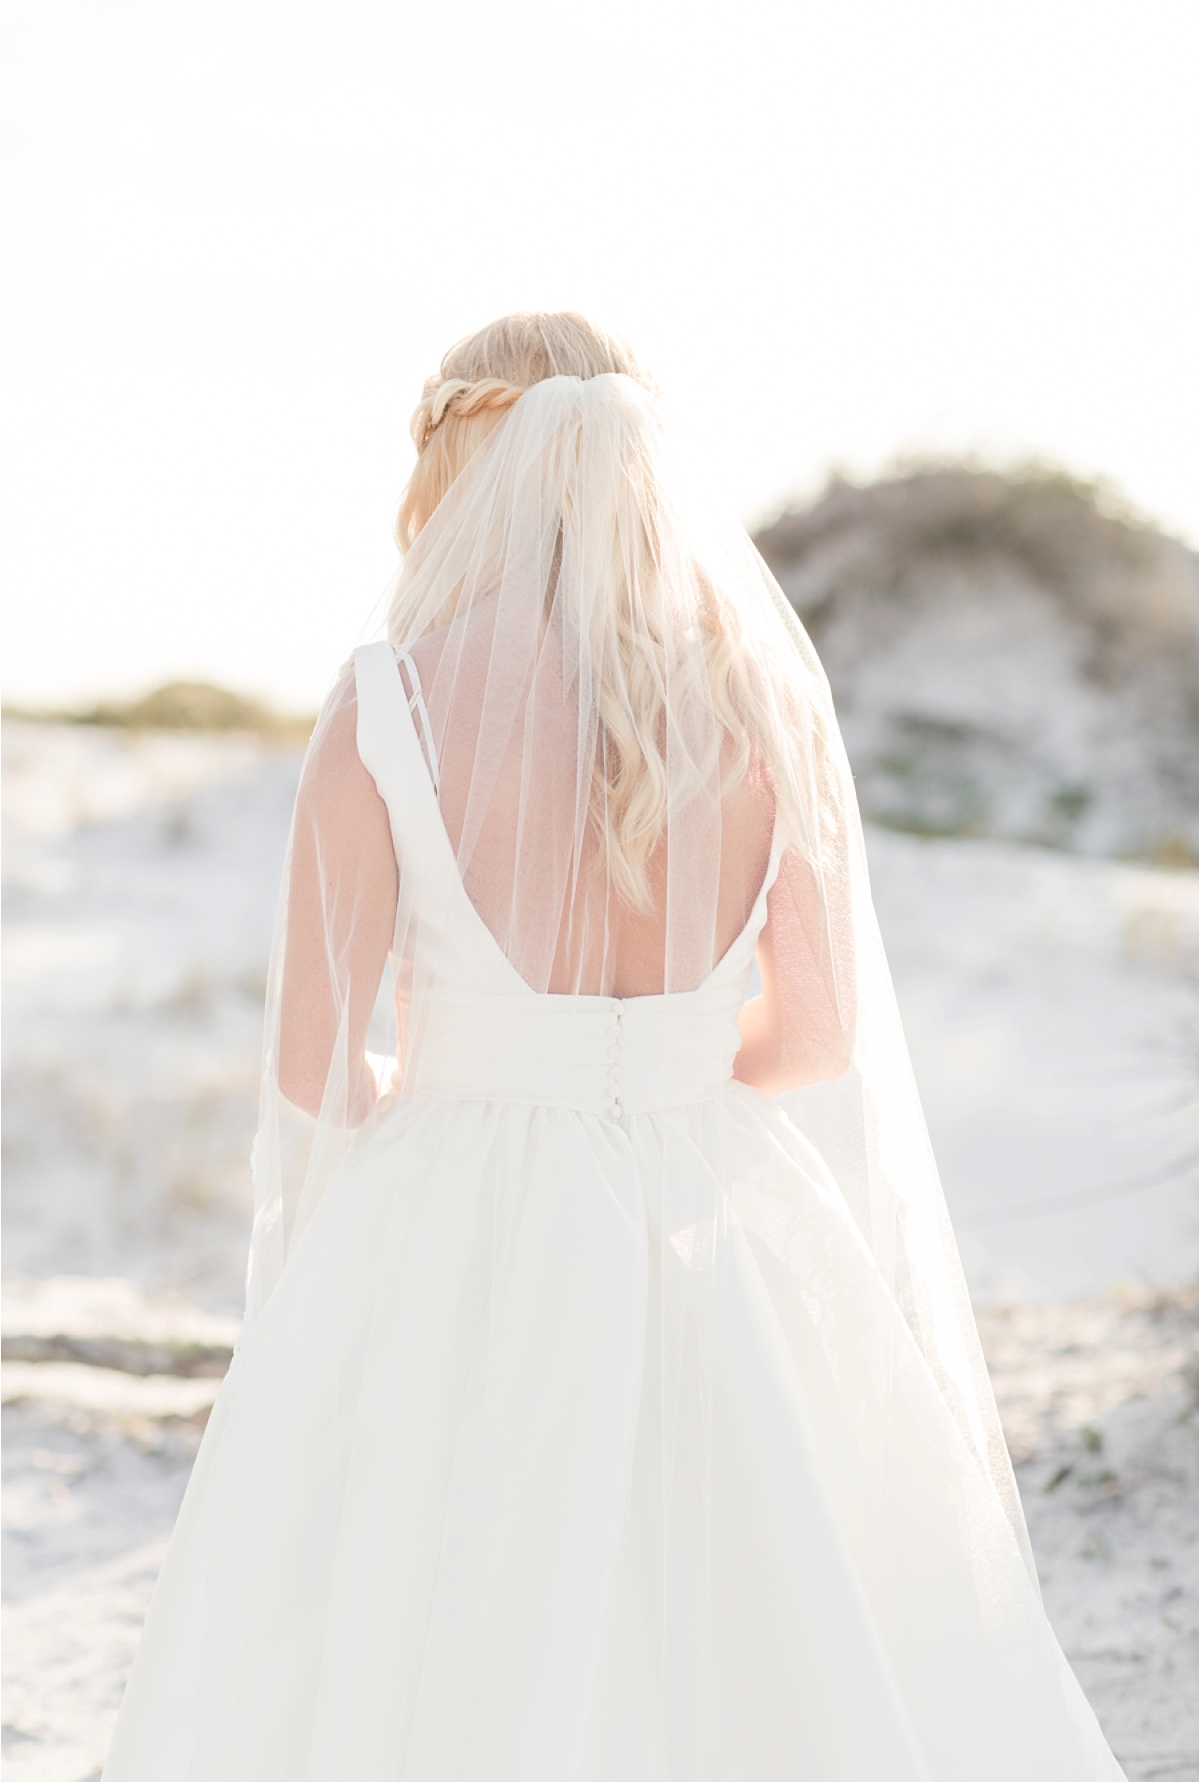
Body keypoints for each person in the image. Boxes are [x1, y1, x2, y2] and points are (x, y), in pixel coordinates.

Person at [103, 311, 1123, 1781]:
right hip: (713, 1204)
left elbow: (315, 1072)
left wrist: (456, 1089)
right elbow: (818, 1035)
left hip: (456, 1208)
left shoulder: (390, 702)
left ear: (460, 467)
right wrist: (662, 1071)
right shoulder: (762, 699)